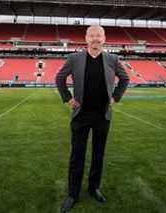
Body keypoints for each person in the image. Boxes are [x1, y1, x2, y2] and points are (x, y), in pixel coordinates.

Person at [55, 25, 130, 212]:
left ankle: (94, 188)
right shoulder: (74, 58)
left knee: (98, 154)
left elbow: (125, 78)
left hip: (102, 116)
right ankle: (73, 193)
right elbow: (59, 78)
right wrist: (68, 98)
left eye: (99, 35)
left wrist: (115, 97)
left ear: (104, 38)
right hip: (81, 116)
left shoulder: (113, 59)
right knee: (77, 155)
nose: (95, 39)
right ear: (86, 38)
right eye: (92, 36)